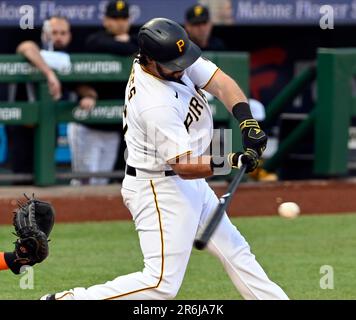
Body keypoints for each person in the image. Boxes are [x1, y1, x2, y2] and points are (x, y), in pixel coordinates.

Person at [41, 18, 288, 300]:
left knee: (236, 251)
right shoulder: (154, 102)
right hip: (159, 188)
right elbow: (183, 165)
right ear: (150, 61)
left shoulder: (169, 57)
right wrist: (230, 160)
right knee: (160, 284)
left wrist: (247, 122)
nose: (182, 67)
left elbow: (220, 83)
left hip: (185, 180)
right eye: (175, 64)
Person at [9, 16, 97, 184]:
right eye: (54, 32)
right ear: (45, 34)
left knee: (46, 174)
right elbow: (26, 47)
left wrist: (89, 95)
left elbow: (76, 84)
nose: (59, 37)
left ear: (69, 35)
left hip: (49, 121)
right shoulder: (39, 48)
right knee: (21, 177)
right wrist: (49, 74)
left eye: (63, 33)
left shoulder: (65, 56)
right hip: (22, 124)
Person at [68, 0, 138, 185]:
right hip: (89, 123)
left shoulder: (136, 40)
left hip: (113, 127)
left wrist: (128, 45)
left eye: (123, 18)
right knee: (83, 182)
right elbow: (105, 45)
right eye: (115, 18)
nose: (120, 22)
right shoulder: (95, 39)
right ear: (106, 20)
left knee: (101, 182)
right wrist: (125, 46)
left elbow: (141, 48)